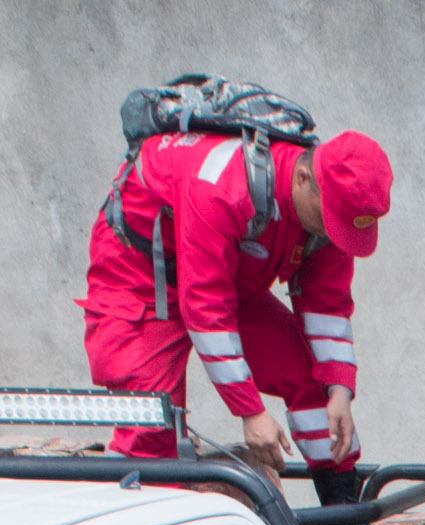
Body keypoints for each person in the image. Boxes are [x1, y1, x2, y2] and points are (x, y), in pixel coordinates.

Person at [83, 120, 392, 478]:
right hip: (139, 275)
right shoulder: (221, 187)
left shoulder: (330, 212)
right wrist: (251, 412)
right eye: (331, 220)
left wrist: (339, 387)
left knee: (314, 382)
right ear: (305, 178)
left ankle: (342, 512)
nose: (331, 232)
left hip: (226, 273)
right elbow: (204, 308)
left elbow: (327, 305)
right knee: (152, 430)